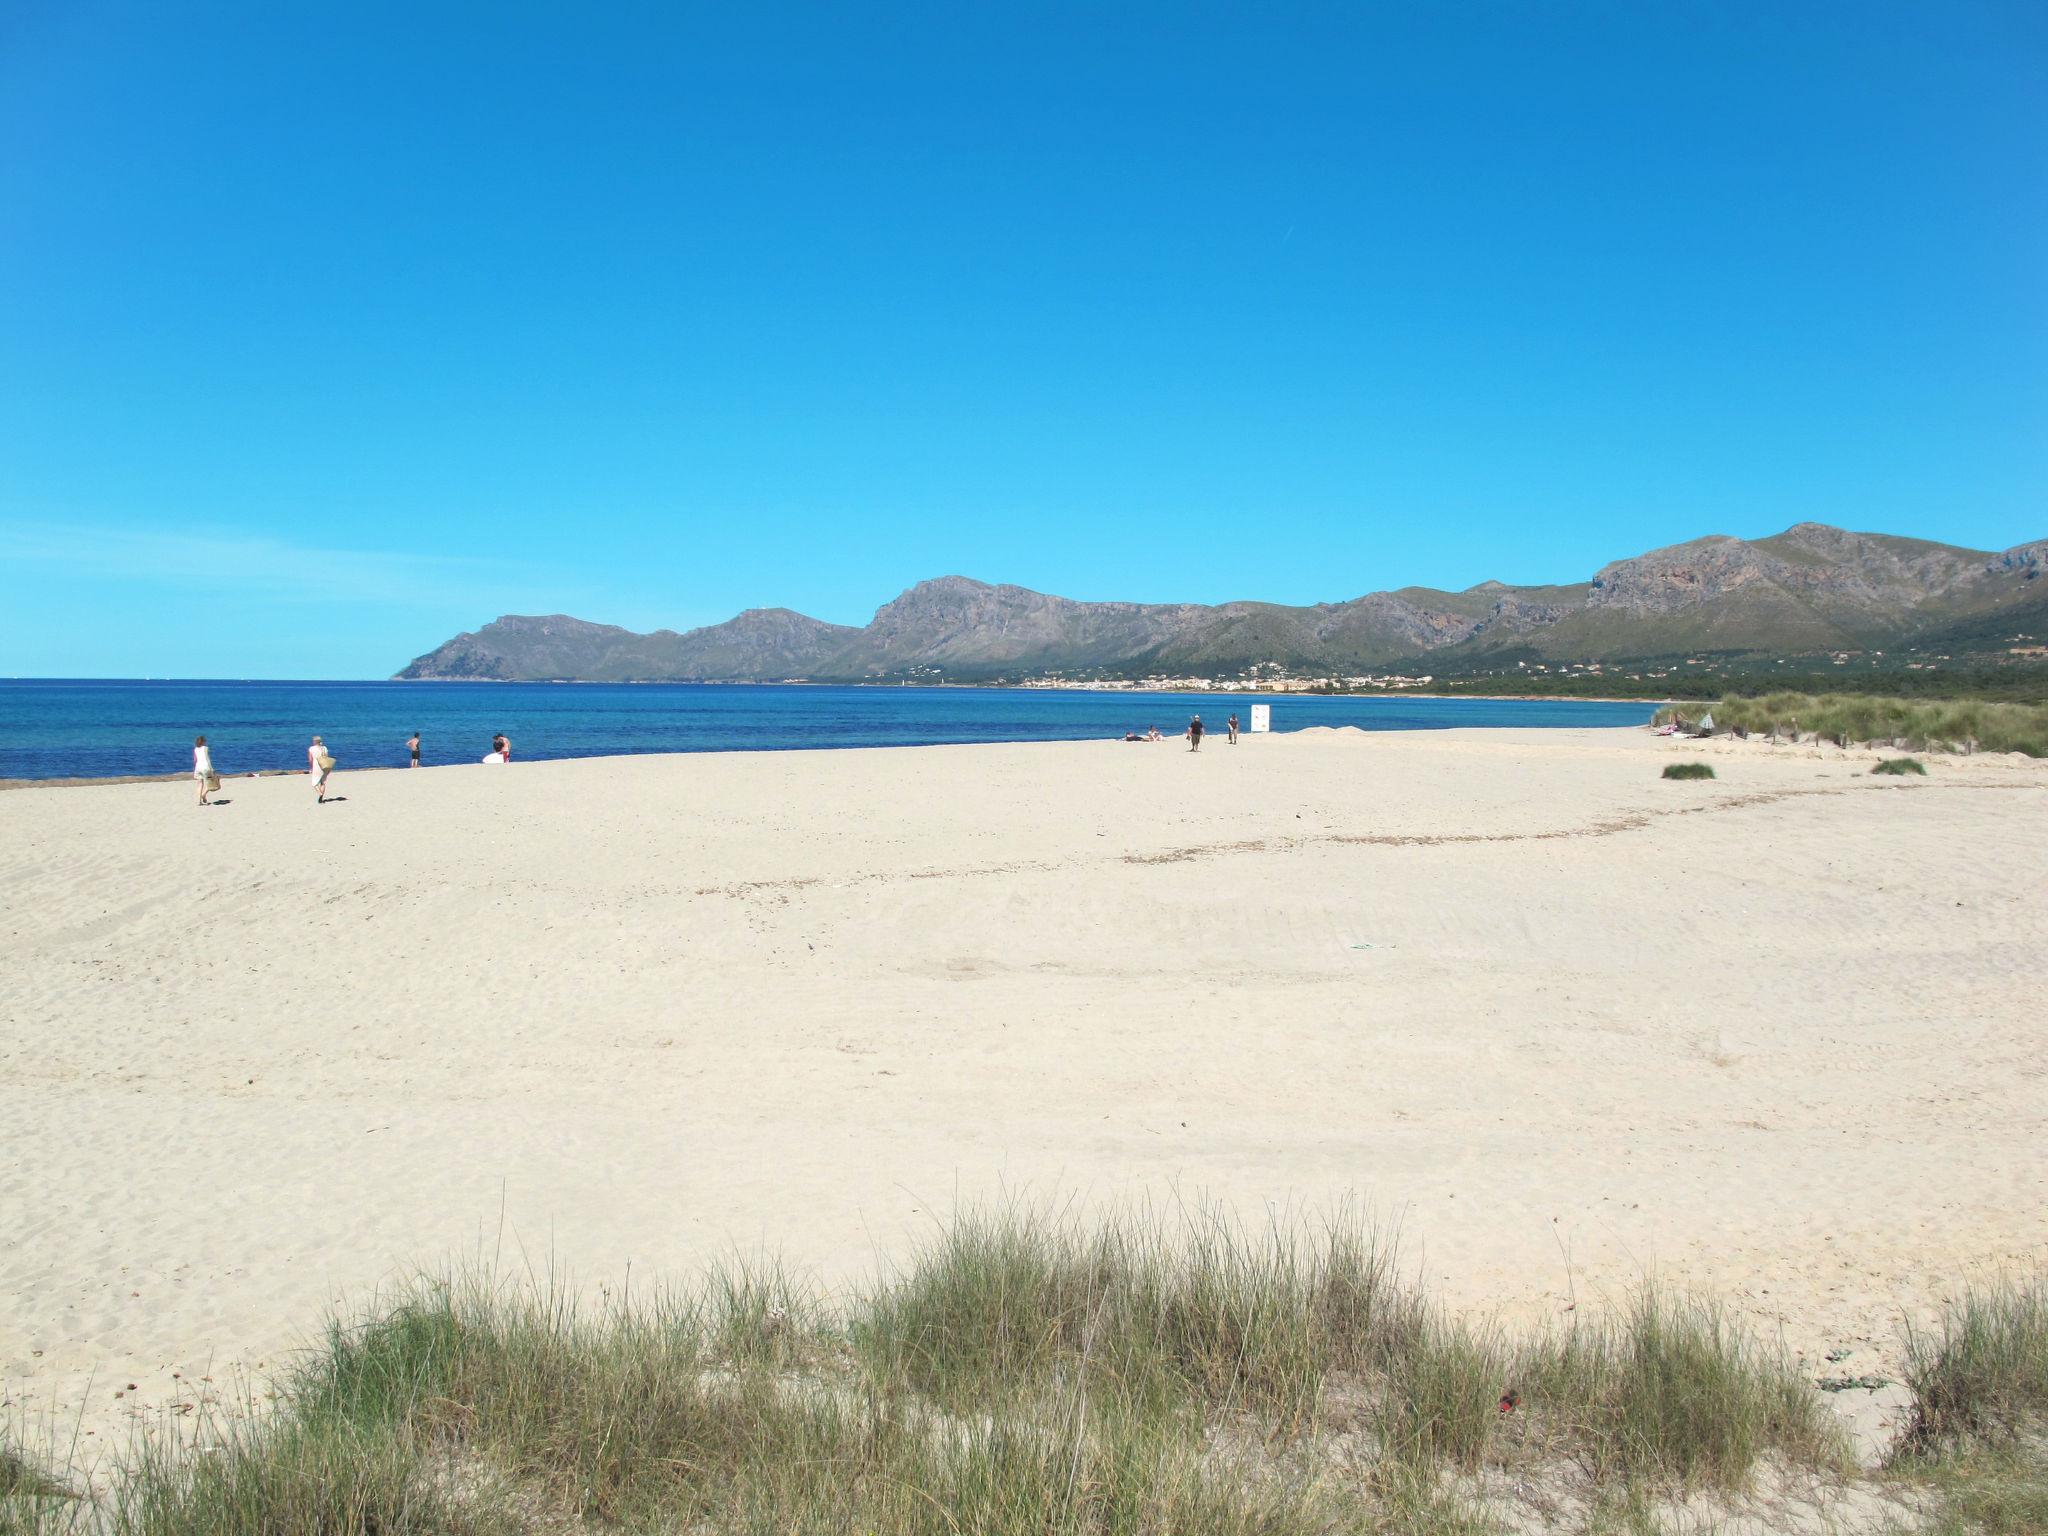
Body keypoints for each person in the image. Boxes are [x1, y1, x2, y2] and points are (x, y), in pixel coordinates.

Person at [309, 734, 333, 803]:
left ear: (314, 741)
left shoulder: (311, 748)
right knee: (323, 782)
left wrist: (311, 768)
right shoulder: (324, 748)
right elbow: (327, 757)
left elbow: (310, 759)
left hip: (316, 766)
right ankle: (321, 798)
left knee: (314, 783)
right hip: (324, 766)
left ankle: (320, 794)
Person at [193, 734, 215, 806]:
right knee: (211, 782)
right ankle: (204, 794)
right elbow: (207, 758)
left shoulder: (195, 749)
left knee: (199, 784)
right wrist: (211, 768)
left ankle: (199, 801)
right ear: (203, 742)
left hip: (198, 767)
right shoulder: (205, 748)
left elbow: (195, 760)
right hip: (205, 767)